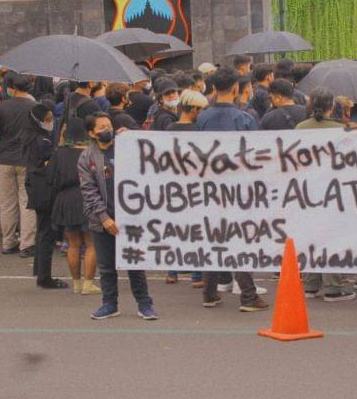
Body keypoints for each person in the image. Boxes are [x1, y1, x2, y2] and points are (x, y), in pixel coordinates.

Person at [195, 67, 269, 311]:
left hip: (209, 188)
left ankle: (209, 293)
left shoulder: (203, 118)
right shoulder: (244, 119)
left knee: (213, 237)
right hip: (238, 189)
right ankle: (248, 296)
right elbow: (256, 154)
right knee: (240, 239)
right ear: (236, 88)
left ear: (214, 88)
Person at [80, 112, 158, 320]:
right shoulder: (87, 157)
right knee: (106, 266)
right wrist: (104, 218)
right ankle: (109, 304)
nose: (107, 130)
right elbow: (89, 191)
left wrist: (134, 136)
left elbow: (152, 151)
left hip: (130, 218)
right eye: (101, 127)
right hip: (102, 221)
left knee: (135, 264)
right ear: (92, 133)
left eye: (109, 126)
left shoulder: (126, 146)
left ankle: (145, 304)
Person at [294, 87, 356, 302]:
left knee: (310, 236)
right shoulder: (341, 130)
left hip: (306, 191)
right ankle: (332, 286)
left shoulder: (300, 128)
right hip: (333, 192)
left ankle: (310, 284)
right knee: (332, 237)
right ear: (332, 106)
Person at [0, 73, 37, 256]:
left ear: (12, 88)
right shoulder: (35, 107)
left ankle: (8, 242)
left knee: (7, 203)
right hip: (27, 159)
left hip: (5, 159)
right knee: (27, 201)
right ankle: (27, 244)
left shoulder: (3, 106)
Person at [163, 89, 208, 287]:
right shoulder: (199, 131)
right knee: (197, 230)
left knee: (175, 230)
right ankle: (196, 275)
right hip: (195, 187)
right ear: (194, 109)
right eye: (201, 109)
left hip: (173, 186)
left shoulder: (169, 128)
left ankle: (172, 272)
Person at [21, 100, 67, 289]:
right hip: (45, 190)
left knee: (43, 232)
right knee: (47, 233)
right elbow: (53, 161)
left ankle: (41, 272)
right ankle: (45, 276)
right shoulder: (42, 141)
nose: (51, 122)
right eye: (47, 119)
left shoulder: (31, 136)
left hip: (36, 188)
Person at [52, 118, 101, 295]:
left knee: (73, 244)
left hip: (66, 199)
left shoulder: (59, 153)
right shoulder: (91, 152)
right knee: (91, 243)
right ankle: (88, 283)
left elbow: (52, 178)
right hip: (88, 197)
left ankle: (76, 283)